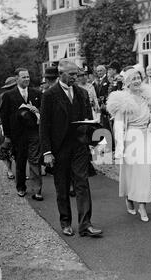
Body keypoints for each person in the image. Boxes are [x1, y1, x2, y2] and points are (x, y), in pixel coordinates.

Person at [40, 59, 102, 237]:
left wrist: (93, 142)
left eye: (77, 74)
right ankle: (65, 222)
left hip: (79, 147)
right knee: (62, 187)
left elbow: (89, 121)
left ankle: (86, 224)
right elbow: (44, 126)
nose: (76, 77)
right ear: (61, 74)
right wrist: (47, 152)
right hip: (59, 149)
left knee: (82, 183)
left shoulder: (82, 93)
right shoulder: (50, 95)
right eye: (72, 74)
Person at [106, 68, 151, 222]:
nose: (137, 81)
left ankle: (142, 205)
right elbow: (118, 125)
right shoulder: (123, 100)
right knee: (129, 172)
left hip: (145, 137)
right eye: (133, 78)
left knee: (143, 173)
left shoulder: (148, 97)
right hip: (130, 139)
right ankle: (129, 197)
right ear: (127, 82)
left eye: (138, 78)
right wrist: (120, 147)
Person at [0, 67, 43, 200]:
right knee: (20, 161)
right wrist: (7, 135)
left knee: (35, 161)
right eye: (23, 77)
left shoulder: (37, 93)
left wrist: (37, 110)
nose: (26, 79)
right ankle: (21, 187)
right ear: (17, 79)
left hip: (34, 133)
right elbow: (4, 117)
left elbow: (44, 111)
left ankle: (37, 190)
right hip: (17, 134)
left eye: (28, 76)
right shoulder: (8, 95)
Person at [0, 76, 17, 180]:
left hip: (19, 127)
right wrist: (1, 120)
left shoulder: (21, 94)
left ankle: (19, 171)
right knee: (6, 149)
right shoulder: (3, 96)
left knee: (19, 150)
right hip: (6, 126)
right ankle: (9, 170)